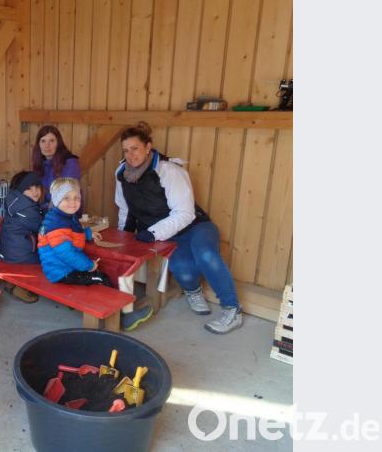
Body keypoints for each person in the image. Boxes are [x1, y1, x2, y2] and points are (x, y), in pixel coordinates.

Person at [114, 121, 243, 334]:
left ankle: (233, 310)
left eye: (135, 148)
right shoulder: (121, 174)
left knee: (207, 256)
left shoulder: (169, 170)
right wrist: (124, 236)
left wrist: (153, 233)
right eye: (126, 150)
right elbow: (125, 208)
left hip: (194, 227)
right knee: (183, 270)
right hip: (167, 237)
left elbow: (185, 213)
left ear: (148, 147)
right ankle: (193, 291)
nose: (130, 155)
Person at [37, 177, 113, 287]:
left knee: (101, 270)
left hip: (64, 265)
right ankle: (105, 303)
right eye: (66, 198)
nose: (72, 202)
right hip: (61, 271)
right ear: (57, 200)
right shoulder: (56, 225)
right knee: (101, 278)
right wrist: (89, 265)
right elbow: (67, 254)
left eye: (76, 197)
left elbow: (71, 233)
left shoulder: (65, 216)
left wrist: (87, 234)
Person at [0, 171, 45, 303]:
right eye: (29, 188)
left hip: (7, 250)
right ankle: (20, 286)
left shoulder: (16, 201)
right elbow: (41, 226)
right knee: (47, 257)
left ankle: (10, 284)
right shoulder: (27, 210)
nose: (35, 191)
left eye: (37, 187)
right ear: (20, 190)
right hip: (19, 254)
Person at [31, 125, 82, 209]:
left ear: (58, 143)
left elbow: (66, 194)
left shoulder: (70, 163)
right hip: (44, 211)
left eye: (52, 141)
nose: (47, 145)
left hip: (64, 212)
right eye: (43, 141)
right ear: (38, 144)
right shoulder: (39, 164)